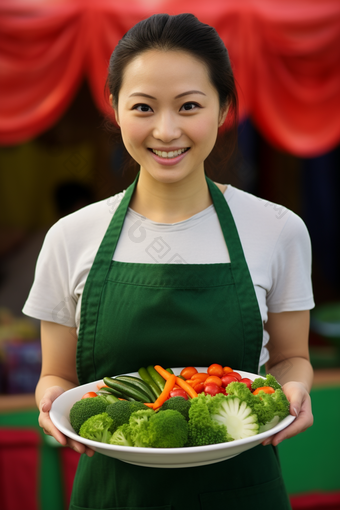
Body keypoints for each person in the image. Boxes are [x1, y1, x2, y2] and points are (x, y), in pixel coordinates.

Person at [23, 13, 314, 510]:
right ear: (114, 108)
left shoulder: (277, 229)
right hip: (113, 495)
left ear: (222, 109)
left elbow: (292, 358)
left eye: (189, 106)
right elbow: (58, 378)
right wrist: (50, 402)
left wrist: (292, 391)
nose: (166, 129)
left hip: (244, 491)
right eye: (143, 106)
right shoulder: (71, 236)